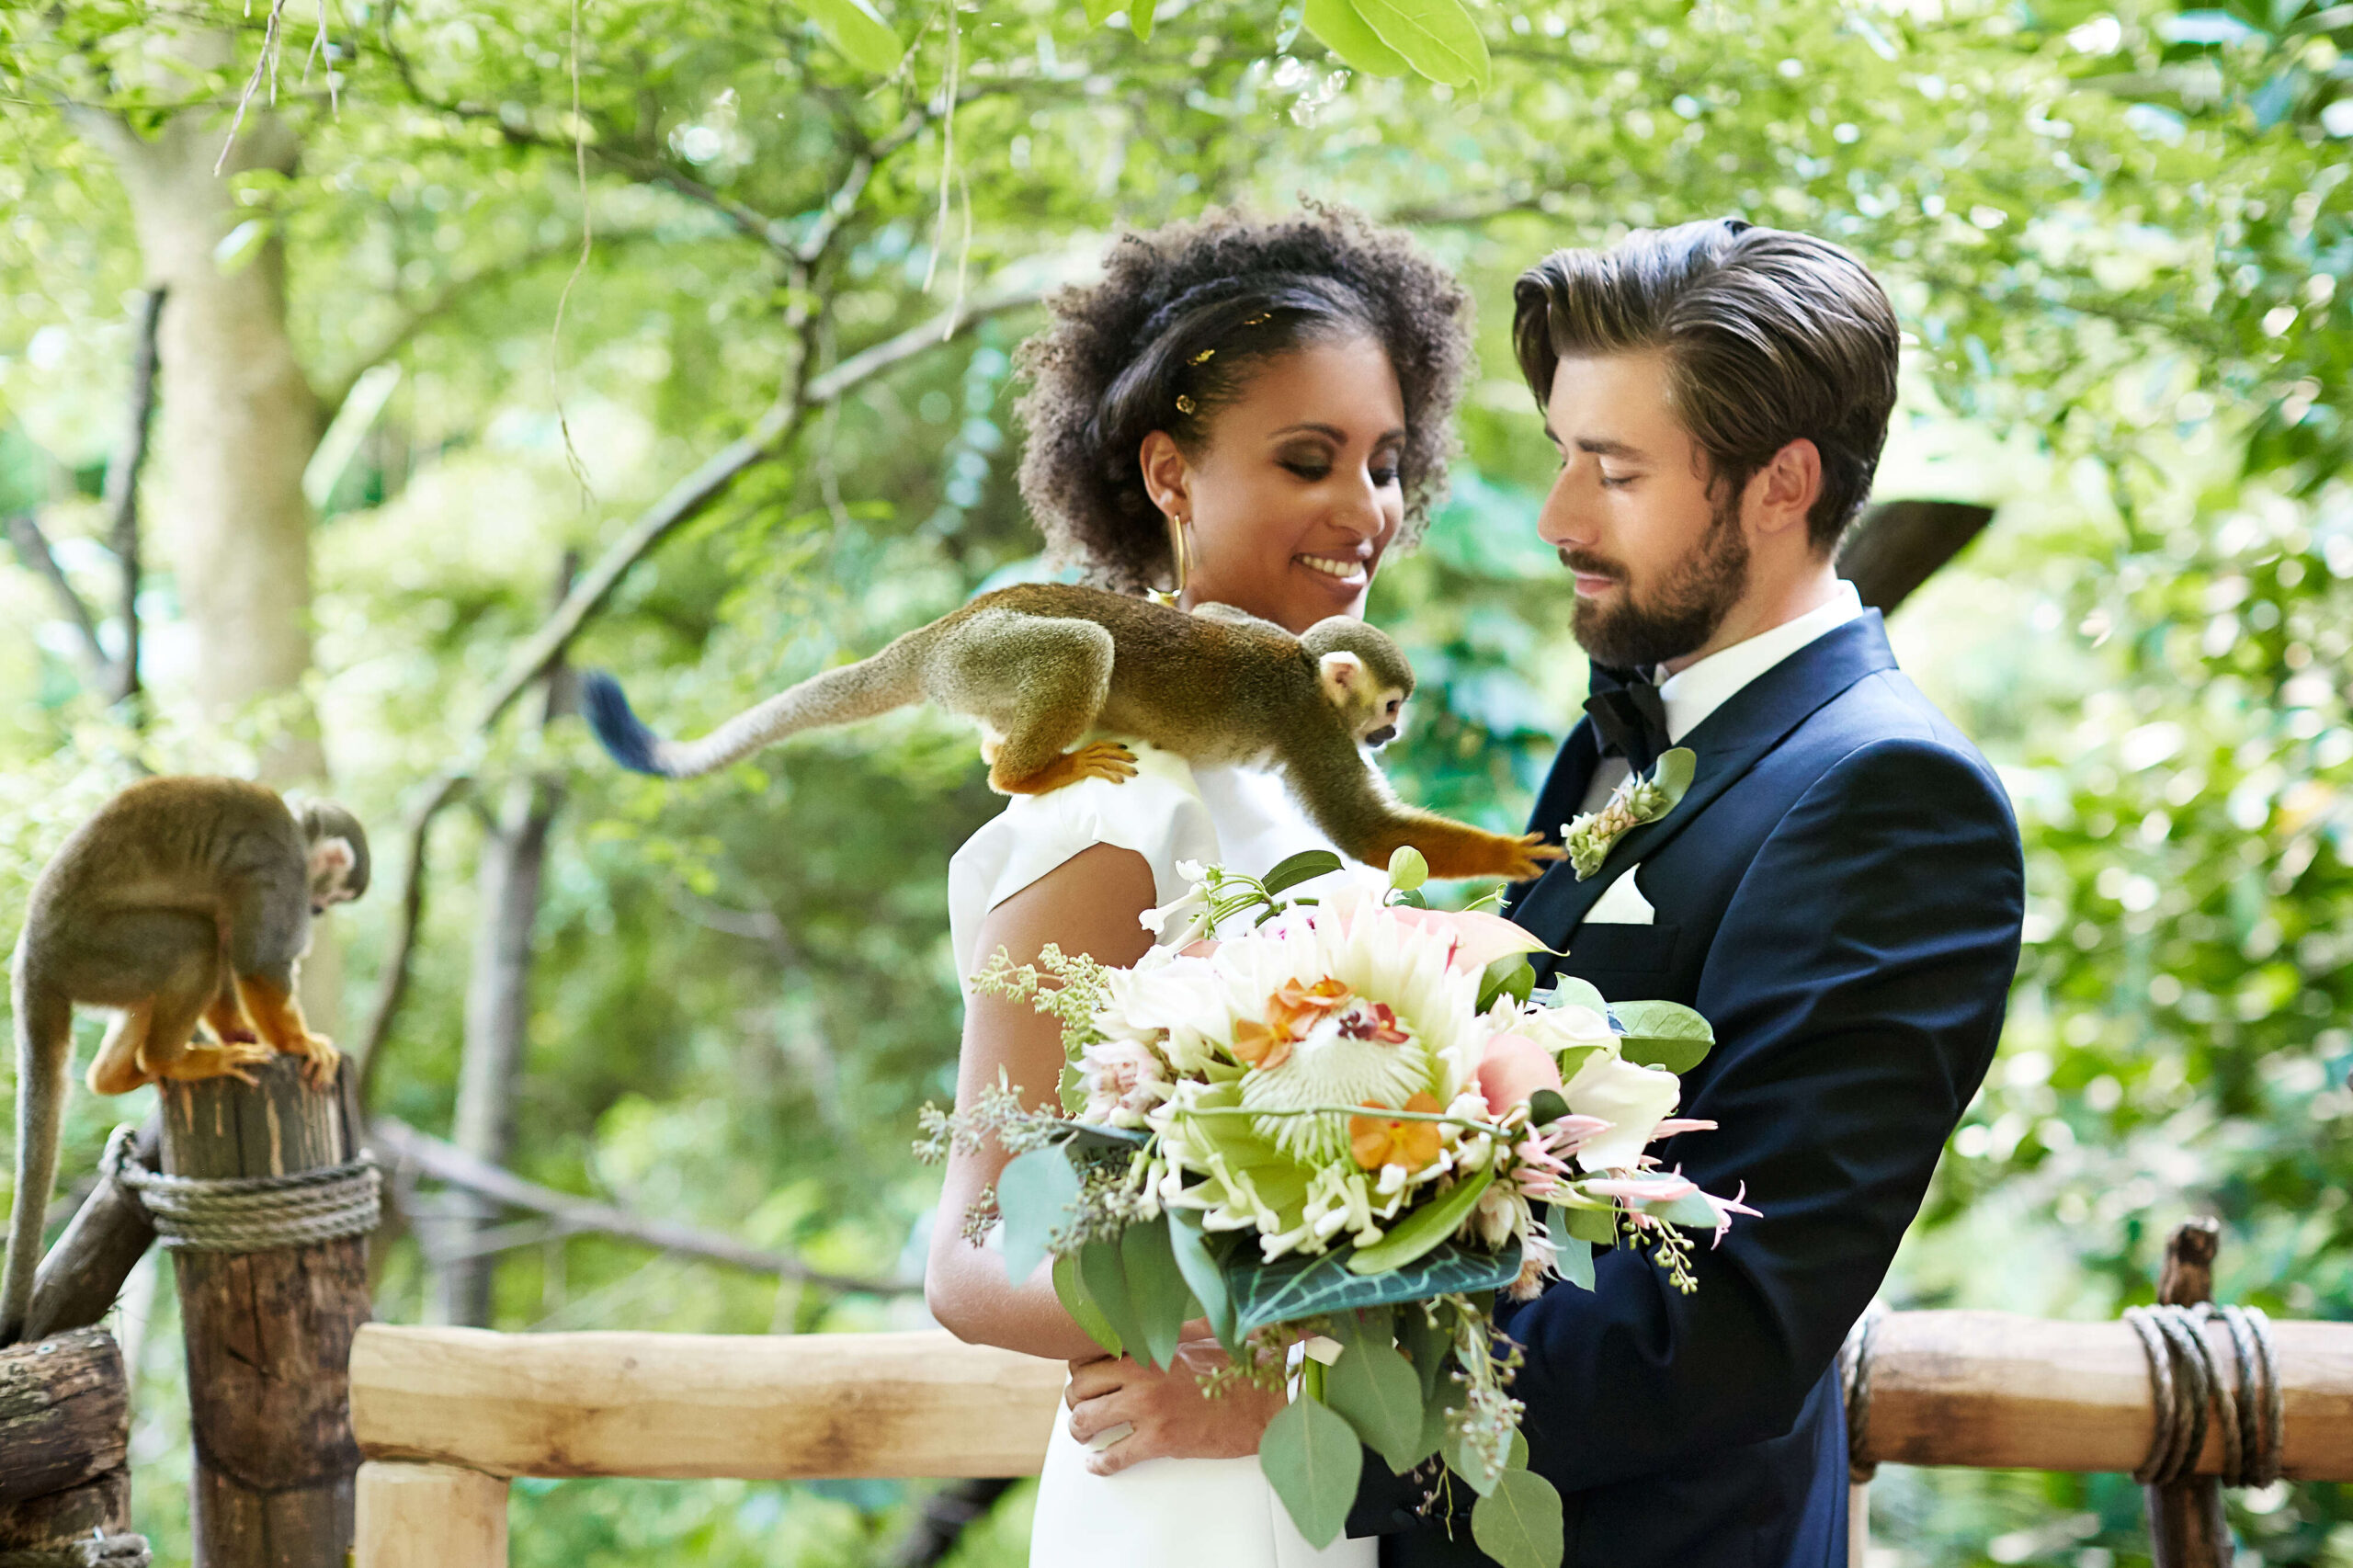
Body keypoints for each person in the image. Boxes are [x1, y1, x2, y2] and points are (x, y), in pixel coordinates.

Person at [1343, 221, 2027, 1565]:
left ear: (1783, 484)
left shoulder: (1895, 796)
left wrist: (1294, 1400)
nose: (1559, 519)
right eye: (1561, 455)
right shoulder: (1628, 722)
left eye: (1614, 471)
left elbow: (1722, 1321)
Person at [921, 207, 1473, 1568]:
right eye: (1308, 459)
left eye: (1387, 463)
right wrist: (1245, 1339)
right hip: (1181, 1484)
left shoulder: (1315, 781)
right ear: (1169, 474)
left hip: (1319, 1465)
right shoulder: (1114, 801)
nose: (1367, 509)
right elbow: (973, 1254)